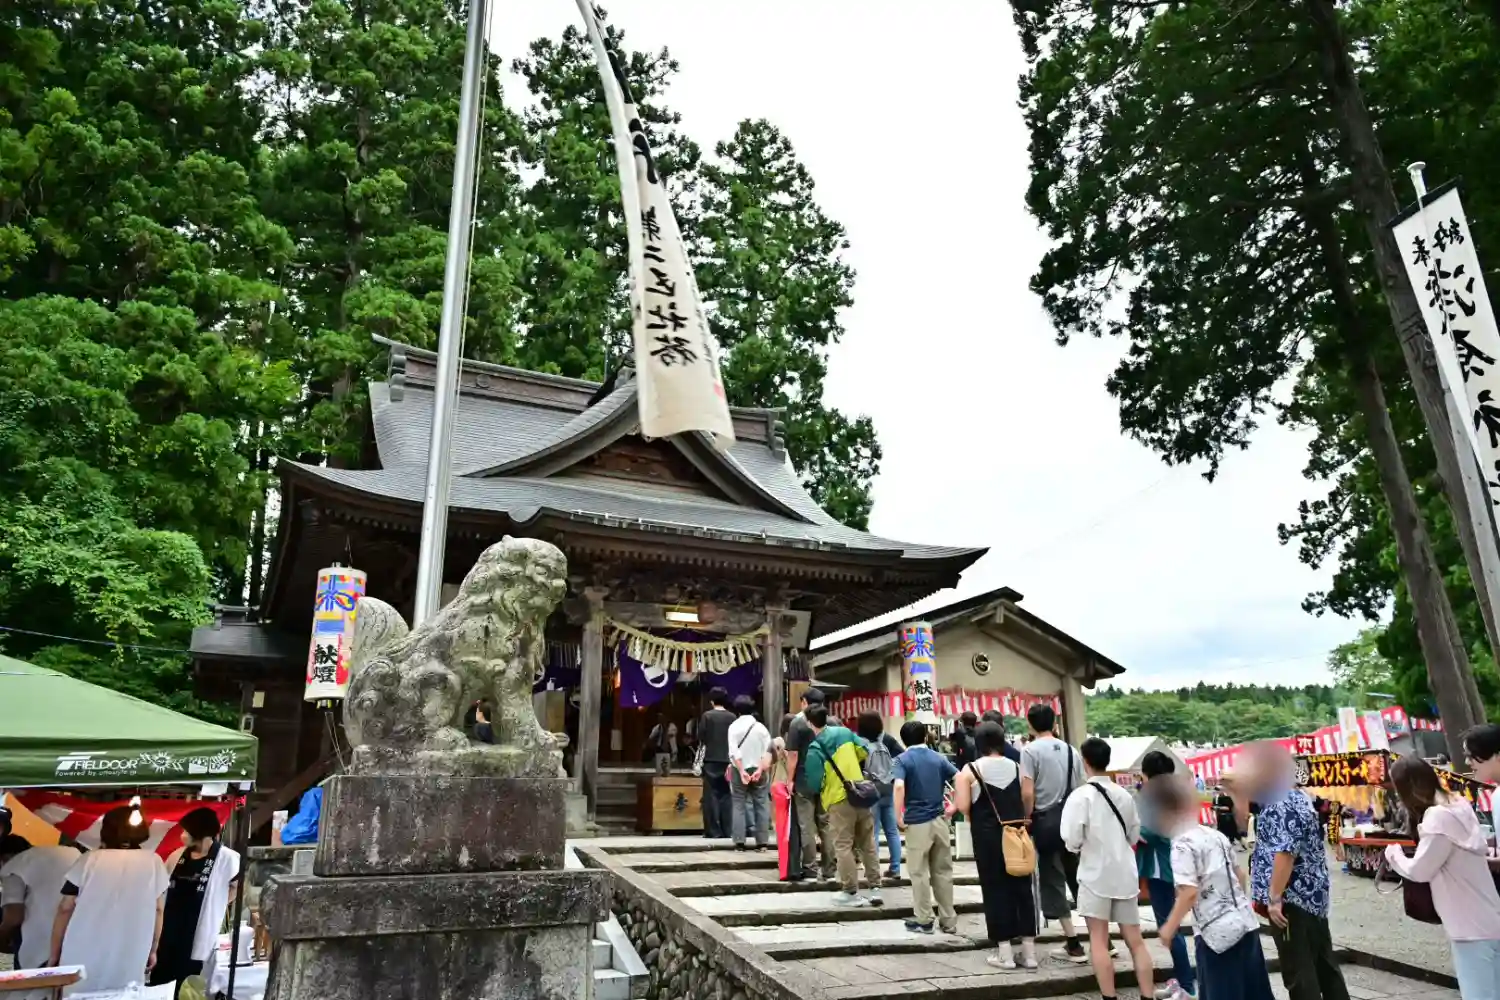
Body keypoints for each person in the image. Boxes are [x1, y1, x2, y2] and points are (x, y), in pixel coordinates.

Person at [1232, 742, 1349, 1000]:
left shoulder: (1280, 803)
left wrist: (1274, 897)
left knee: (1299, 971)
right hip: (1311, 896)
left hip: (1291, 899)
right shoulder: (1298, 797)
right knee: (1324, 965)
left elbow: (1285, 852)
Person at [1385, 756, 1500, 1000]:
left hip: (1468, 928)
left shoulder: (1437, 818)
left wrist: (1394, 855)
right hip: (1490, 915)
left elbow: (1420, 870)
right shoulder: (1458, 804)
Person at [1152, 779, 1275, 1000]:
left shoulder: (1181, 844)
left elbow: (1189, 893)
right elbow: (1240, 875)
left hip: (1216, 935)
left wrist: (1169, 928)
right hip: (1245, 923)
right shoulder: (1215, 835)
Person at [1062, 737, 1155, 1000]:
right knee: (1135, 941)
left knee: (1098, 939)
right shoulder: (1124, 795)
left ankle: (1109, 996)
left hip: (1094, 874)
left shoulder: (1080, 797)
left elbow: (1071, 839)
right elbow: (1134, 835)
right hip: (1124, 873)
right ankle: (1147, 995)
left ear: (1085, 762)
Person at [50, 806, 170, 995]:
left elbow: (65, 908)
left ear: (106, 830)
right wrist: (153, 949)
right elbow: (158, 910)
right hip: (131, 951)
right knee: (124, 994)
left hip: (81, 950)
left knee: (78, 992)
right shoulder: (154, 862)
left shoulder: (89, 859)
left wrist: (54, 954)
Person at [955, 721, 1038, 968]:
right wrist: (1024, 817)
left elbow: (963, 806)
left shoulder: (969, 771)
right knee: (1022, 888)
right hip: (1017, 833)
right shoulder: (1017, 766)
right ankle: (1029, 954)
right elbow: (1027, 796)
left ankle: (1005, 953)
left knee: (995, 889)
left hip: (988, 837)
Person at [149, 807, 242, 993]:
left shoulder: (228, 858)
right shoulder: (177, 855)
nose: (182, 835)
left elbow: (237, 886)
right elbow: (162, 887)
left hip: (199, 928)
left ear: (200, 833)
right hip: (170, 927)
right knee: (162, 979)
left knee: (190, 982)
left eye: (187, 831)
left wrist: (219, 904)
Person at [1020, 702, 1086, 962]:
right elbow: (1080, 787)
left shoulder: (1030, 751)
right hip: (1071, 821)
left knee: (1053, 879)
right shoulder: (1071, 750)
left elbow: (1027, 792)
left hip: (1045, 822)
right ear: (1055, 723)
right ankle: (1103, 939)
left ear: (1030, 725)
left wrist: (1027, 817)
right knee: (1077, 878)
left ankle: (1073, 942)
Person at [804, 705, 882, 907]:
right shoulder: (845, 732)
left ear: (810, 723)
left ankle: (850, 891)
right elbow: (864, 750)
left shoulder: (815, 748)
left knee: (843, 845)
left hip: (838, 800)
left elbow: (814, 783)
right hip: (860, 792)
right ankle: (875, 888)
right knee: (867, 843)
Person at [1138, 751, 1196, 1000]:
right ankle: (1183, 981)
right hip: (1179, 865)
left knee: (1169, 927)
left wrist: (1132, 830)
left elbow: (1151, 833)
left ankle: (1186, 986)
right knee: (1171, 925)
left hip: (1162, 869)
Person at [894, 720, 959, 935]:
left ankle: (924, 919)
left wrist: (898, 816)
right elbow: (959, 778)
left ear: (904, 740)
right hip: (940, 820)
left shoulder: (902, 760)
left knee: (919, 872)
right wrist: (955, 806)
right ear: (924, 737)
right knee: (943, 871)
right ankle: (948, 920)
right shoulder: (938, 758)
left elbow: (899, 786)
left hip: (917, 822)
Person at [2, 833, 82, 991]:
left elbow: (14, 916)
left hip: (39, 942)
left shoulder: (12, 866)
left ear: (4, 857)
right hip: (76, 935)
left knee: (28, 990)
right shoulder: (71, 852)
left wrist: (2, 936)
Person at [786, 688, 836, 882]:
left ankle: (810, 868)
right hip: (827, 780)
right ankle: (829, 868)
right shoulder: (832, 722)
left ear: (805, 702)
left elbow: (793, 755)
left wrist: (789, 780)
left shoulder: (797, 723)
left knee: (806, 825)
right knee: (826, 824)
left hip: (803, 779)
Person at [856, 711, 903, 881]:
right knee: (892, 831)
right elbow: (901, 756)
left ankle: (873, 869)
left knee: (872, 831)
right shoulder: (887, 741)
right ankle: (895, 868)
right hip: (888, 787)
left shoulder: (860, 744)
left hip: (871, 789)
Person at [727, 696, 772, 850]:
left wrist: (741, 771)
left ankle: (739, 841)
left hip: (739, 768)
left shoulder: (733, 727)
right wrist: (760, 769)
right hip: (759, 768)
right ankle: (762, 842)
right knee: (761, 803)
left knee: (738, 803)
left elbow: (734, 752)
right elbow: (768, 751)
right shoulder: (761, 728)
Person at [697, 687, 736, 840]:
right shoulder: (732, 717)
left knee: (711, 795)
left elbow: (701, 737)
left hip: (711, 759)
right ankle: (727, 829)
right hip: (728, 760)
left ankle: (713, 830)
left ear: (712, 701)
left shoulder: (707, 716)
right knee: (727, 795)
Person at [770, 715, 796, 880]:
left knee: (781, 827)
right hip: (790, 786)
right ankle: (790, 863)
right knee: (792, 826)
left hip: (778, 785)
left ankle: (784, 863)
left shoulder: (777, 742)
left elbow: (768, 761)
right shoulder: (794, 743)